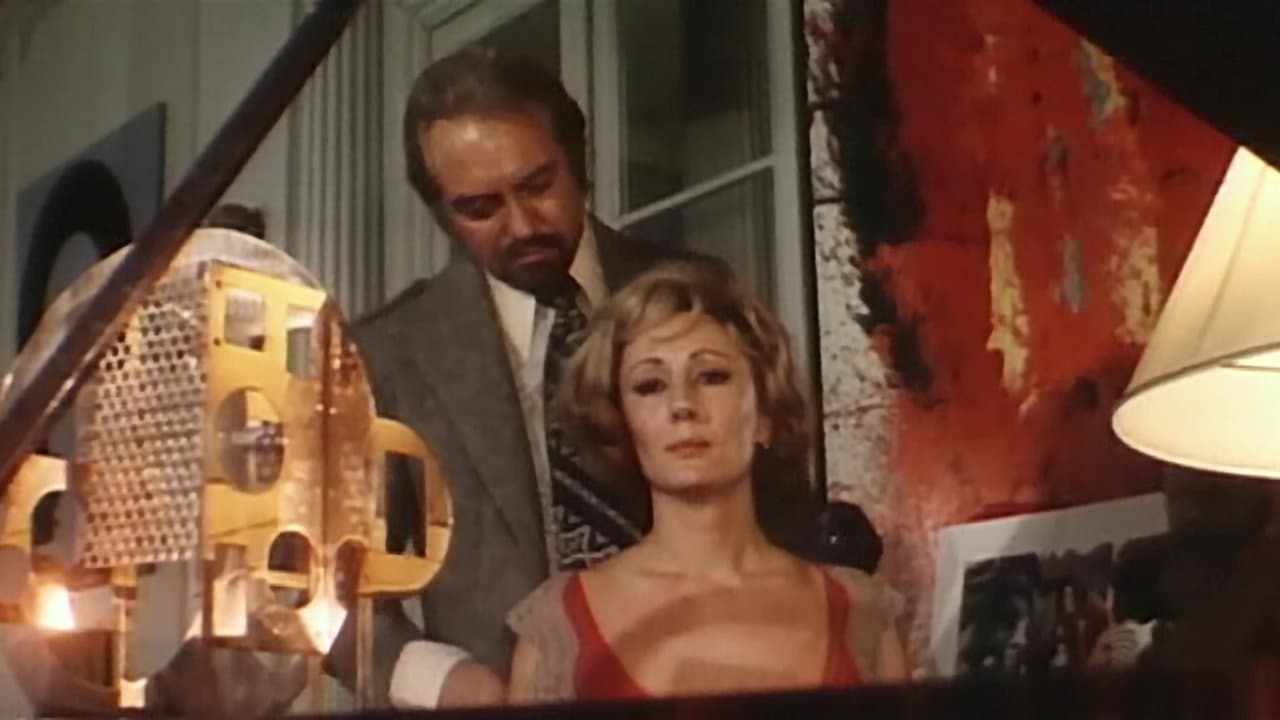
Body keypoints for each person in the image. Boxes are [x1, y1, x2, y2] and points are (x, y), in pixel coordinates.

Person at [324, 47, 747, 708]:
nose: (522, 225)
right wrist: (442, 681)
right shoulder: (390, 353)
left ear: (579, 164)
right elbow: (325, 593)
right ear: (441, 214)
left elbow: (780, 504)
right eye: (479, 208)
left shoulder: (698, 292)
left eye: (538, 185)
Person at [506, 262, 906, 702]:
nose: (682, 405)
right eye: (650, 385)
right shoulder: (558, 628)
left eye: (711, 377)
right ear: (620, 423)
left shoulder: (861, 614)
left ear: (765, 413)